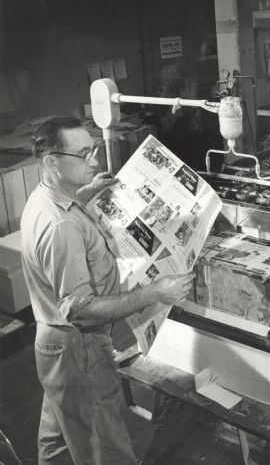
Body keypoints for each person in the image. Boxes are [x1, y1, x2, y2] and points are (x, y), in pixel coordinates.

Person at [20, 116, 195, 464]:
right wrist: (155, 293)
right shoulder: (62, 226)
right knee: (108, 449)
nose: (95, 160)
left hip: (53, 346)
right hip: (77, 349)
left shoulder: (48, 200)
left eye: (93, 150)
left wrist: (84, 193)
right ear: (51, 163)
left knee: (58, 444)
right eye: (84, 155)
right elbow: (80, 310)